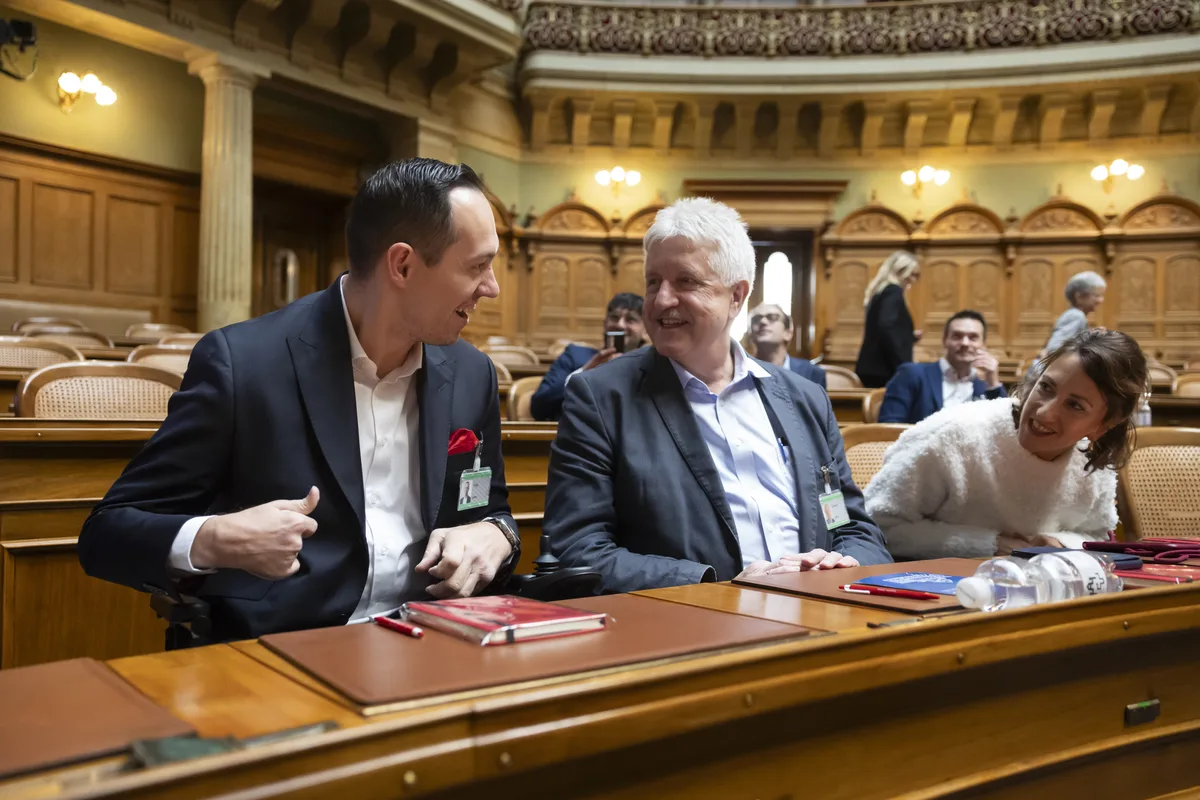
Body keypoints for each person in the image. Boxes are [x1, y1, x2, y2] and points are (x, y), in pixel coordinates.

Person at [77, 159, 520, 643]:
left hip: (438, 641)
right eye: (478, 266)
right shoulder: (242, 364)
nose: (492, 287)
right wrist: (214, 538)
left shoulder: (472, 373)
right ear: (403, 265)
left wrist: (497, 534)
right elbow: (107, 533)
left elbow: (488, 507)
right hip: (288, 650)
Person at [543, 198, 892, 594]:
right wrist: (718, 586)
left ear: (737, 297)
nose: (660, 301)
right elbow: (577, 550)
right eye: (653, 281)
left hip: (823, 622)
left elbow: (854, 528)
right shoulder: (601, 397)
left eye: (686, 281)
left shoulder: (805, 398)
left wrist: (844, 564)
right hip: (690, 631)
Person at [865, 329, 1147, 560]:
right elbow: (875, 525)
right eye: (1046, 387)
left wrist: (1059, 543)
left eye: (1075, 405)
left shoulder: (1092, 464)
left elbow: (1097, 537)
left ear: (1102, 426)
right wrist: (989, 545)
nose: (1044, 412)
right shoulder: (950, 435)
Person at [530, 293, 646, 421]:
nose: (620, 325)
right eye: (614, 317)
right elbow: (539, 406)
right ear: (604, 323)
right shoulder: (574, 356)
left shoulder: (651, 365)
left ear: (645, 329)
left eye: (630, 320)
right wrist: (583, 373)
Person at [877, 310, 1006, 424]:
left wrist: (994, 384)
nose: (965, 343)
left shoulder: (984, 387)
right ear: (945, 340)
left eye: (973, 338)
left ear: (983, 344)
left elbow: (1007, 428)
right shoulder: (912, 374)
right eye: (957, 336)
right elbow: (887, 427)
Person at [855, 251, 921, 388]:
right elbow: (886, 326)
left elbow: (883, 327)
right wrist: (903, 364)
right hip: (884, 368)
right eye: (912, 274)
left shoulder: (880, 291)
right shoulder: (893, 291)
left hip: (872, 366)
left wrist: (909, 336)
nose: (913, 280)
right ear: (901, 271)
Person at [1027, 271, 1106, 378]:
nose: (1101, 300)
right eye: (1096, 295)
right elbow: (1054, 349)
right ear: (1079, 297)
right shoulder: (1076, 316)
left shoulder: (1074, 314)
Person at [748, 303, 827, 389]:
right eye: (756, 319)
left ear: (788, 333)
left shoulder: (812, 373)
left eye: (772, 317)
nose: (763, 321)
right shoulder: (740, 370)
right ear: (750, 334)